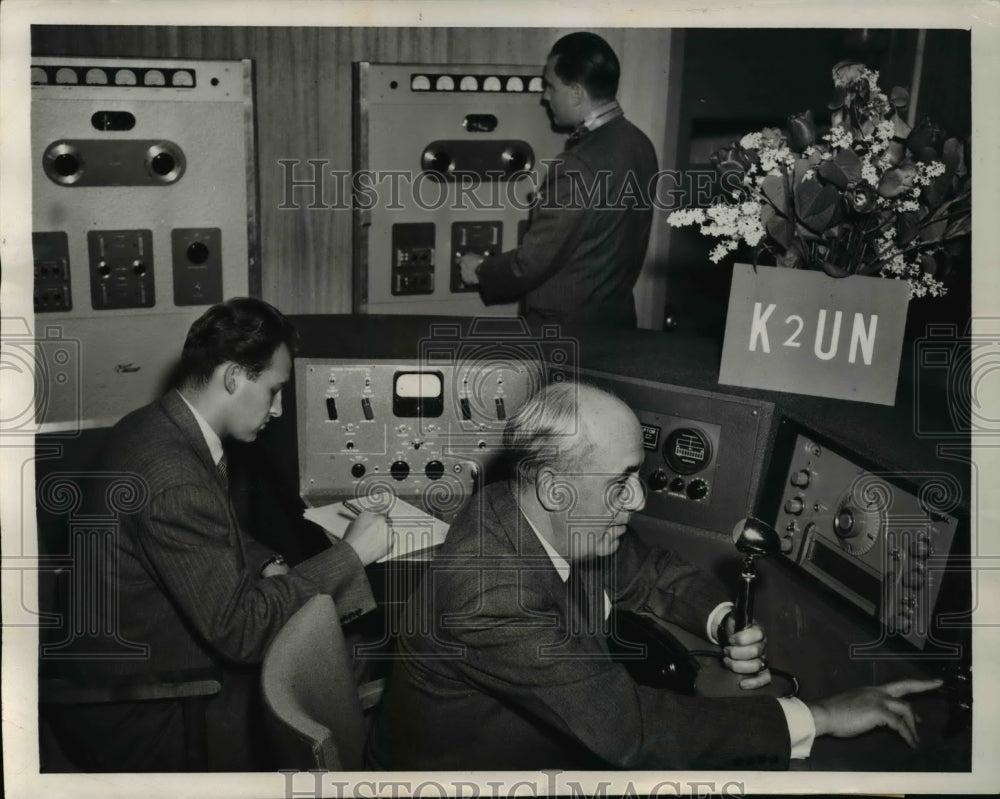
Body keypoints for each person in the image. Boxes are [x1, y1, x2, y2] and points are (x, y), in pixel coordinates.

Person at [367, 382, 942, 770]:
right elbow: (632, 734)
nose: (638, 499)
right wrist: (820, 716)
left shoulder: (524, 507)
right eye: (620, 482)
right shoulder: (491, 593)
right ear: (552, 488)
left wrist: (723, 622)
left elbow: (649, 570)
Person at [48, 298, 390, 771]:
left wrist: (265, 560)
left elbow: (198, 530)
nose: (277, 409)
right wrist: (352, 554)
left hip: (138, 661)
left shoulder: (156, 426)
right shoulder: (174, 476)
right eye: (273, 391)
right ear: (233, 378)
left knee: (338, 650)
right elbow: (243, 633)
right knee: (342, 667)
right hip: (149, 706)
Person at [458, 32, 658, 329]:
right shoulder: (641, 144)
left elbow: (531, 263)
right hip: (615, 325)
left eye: (550, 86)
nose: (544, 96)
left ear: (576, 93)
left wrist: (480, 270)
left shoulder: (577, 165)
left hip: (564, 332)